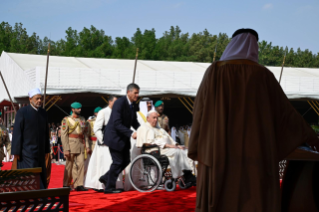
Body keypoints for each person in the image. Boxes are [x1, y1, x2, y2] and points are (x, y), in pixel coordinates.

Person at [188, 28, 319, 212]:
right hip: (256, 158)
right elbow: (288, 116)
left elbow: (200, 112)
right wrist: (313, 139)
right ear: (254, 46)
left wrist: (196, 146)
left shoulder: (214, 72)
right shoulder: (263, 75)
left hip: (219, 155)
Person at [99, 83, 140, 194]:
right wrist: (132, 133)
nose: (137, 95)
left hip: (123, 138)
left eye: (138, 93)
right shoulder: (119, 103)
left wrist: (142, 130)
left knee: (126, 160)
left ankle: (106, 177)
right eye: (135, 93)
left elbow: (134, 121)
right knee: (117, 162)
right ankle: (109, 188)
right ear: (128, 92)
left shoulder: (133, 104)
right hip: (114, 137)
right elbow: (117, 123)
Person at [136, 110, 196, 184]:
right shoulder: (144, 128)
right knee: (177, 151)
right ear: (148, 118)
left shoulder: (159, 128)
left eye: (156, 118)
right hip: (155, 150)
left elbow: (170, 139)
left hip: (166, 149)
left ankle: (188, 174)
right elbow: (151, 142)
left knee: (184, 150)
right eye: (154, 118)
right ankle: (183, 176)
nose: (156, 120)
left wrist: (177, 145)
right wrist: (168, 145)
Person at [11, 88, 51, 189]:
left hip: (41, 151)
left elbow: (46, 133)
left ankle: (41, 193)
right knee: (30, 173)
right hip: (26, 151)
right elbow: (17, 133)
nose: (39, 101)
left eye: (40, 99)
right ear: (30, 99)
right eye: (37, 98)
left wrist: (47, 150)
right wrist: (16, 152)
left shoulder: (43, 113)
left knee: (41, 172)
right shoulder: (22, 112)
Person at [85, 96, 120, 191]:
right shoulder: (103, 112)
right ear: (110, 101)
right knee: (104, 164)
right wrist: (104, 140)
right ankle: (103, 186)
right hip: (104, 144)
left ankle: (112, 184)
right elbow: (97, 128)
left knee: (113, 163)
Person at [61, 102, 88, 191]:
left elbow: (85, 133)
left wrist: (86, 146)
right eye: (77, 109)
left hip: (80, 145)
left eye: (80, 108)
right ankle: (66, 184)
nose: (79, 110)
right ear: (73, 109)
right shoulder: (66, 120)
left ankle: (79, 184)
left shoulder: (83, 119)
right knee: (69, 165)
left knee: (81, 165)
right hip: (71, 145)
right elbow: (64, 135)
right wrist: (66, 149)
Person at [83, 106, 102, 180]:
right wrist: (87, 146)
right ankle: (86, 180)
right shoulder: (90, 122)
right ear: (95, 113)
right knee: (89, 164)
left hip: (102, 144)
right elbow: (86, 135)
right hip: (92, 144)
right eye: (98, 112)